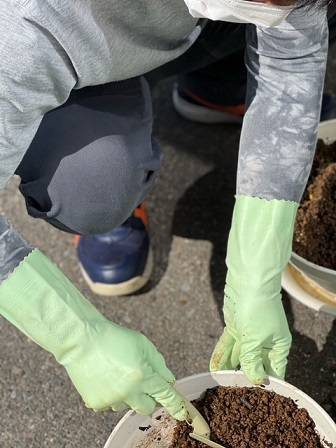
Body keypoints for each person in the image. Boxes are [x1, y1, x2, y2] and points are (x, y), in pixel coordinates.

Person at [0, 0, 330, 424]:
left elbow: (294, 52)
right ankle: (102, 181)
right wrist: (75, 337)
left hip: (174, 20)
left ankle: (215, 83)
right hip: (78, 49)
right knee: (95, 182)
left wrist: (256, 272)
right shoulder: (26, 28)